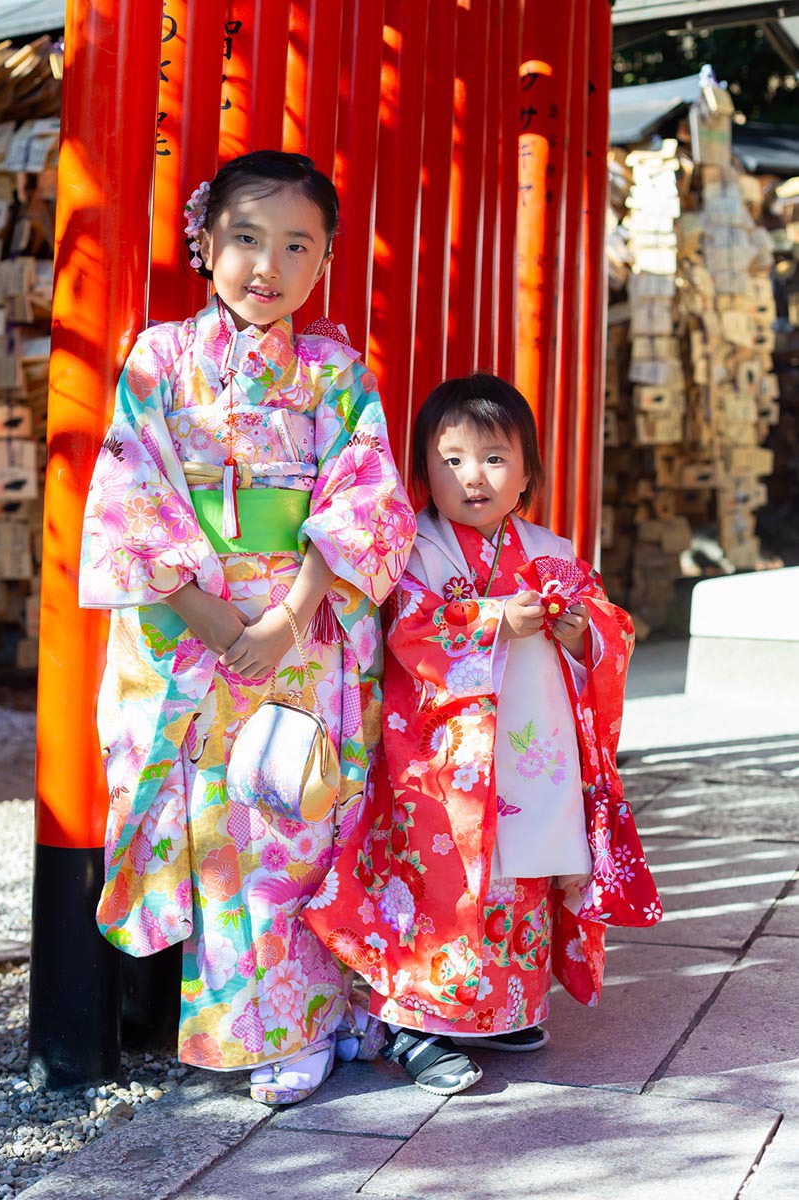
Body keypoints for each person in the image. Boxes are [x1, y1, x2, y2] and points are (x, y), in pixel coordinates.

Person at [79, 150, 415, 1106]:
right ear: (206, 242)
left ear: (324, 260)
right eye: (247, 238)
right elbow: (131, 495)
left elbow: (366, 506)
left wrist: (284, 616)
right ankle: (264, 1025)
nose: (268, 264)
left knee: (298, 817)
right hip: (194, 625)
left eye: (296, 245)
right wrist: (216, 617)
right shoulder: (159, 359)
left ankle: (321, 1014)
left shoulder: (336, 372)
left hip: (299, 628)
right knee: (221, 833)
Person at [304, 373, 662, 1095]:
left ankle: (506, 1008)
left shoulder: (548, 548)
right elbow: (408, 631)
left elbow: (610, 630)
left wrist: (580, 628)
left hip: (529, 762)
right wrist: (495, 619)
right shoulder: (419, 552)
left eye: (496, 458)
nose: (474, 476)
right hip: (439, 765)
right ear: (421, 472)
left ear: (528, 471)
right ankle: (417, 1025)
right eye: (453, 458)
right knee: (442, 887)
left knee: (520, 877)